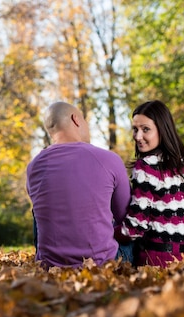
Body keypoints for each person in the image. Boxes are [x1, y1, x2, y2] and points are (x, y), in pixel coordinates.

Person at [27, 101, 132, 268]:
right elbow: (125, 218)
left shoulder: (33, 167)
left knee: (38, 210)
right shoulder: (108, 159)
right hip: (102, 264)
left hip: (50, 266)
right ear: (76, 119)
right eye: (84, 120)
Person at [115, 100, 184, 266]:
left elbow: (136, 227)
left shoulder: (146, 166)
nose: (138, 136)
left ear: (162, 129)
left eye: (146, 129)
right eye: (135, 129)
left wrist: (109, 233)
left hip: (164, 259)